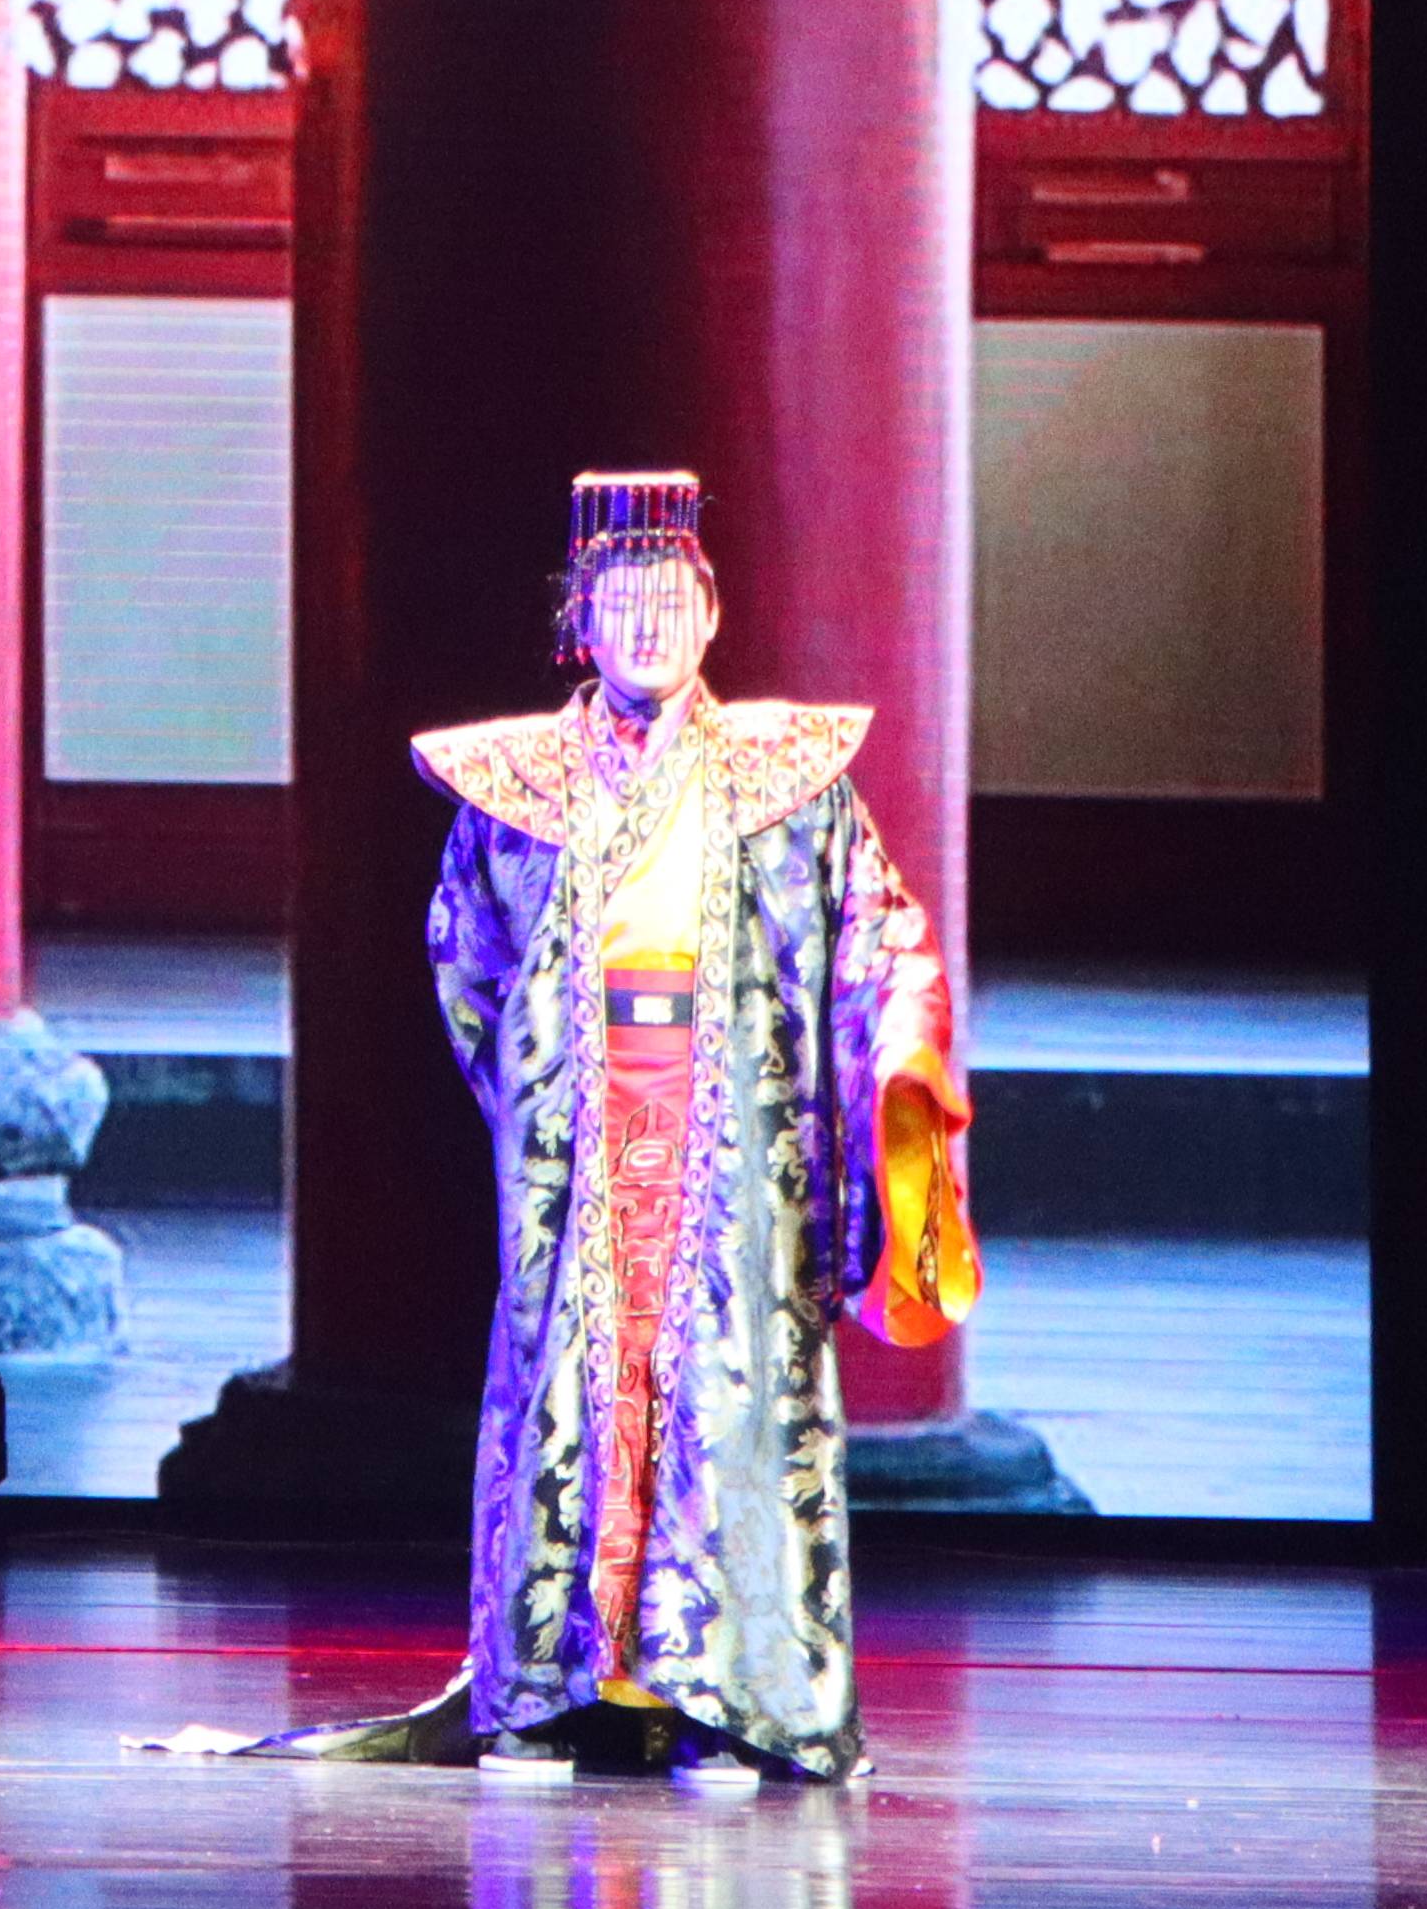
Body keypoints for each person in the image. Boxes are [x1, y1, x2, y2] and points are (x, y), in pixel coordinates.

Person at [264, 468, 980, 1786]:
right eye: (622, 603)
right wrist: (540, 1096)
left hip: (735, 1137)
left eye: (672, 601)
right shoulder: (519, 789)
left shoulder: (790, 780)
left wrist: (902, 1059)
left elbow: (883, 942)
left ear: (712, 615)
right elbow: (469, 965)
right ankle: (552, 1696)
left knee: (728, 1401)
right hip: (582, 1140)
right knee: (568, 1401)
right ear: (579, 626)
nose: (650, 625)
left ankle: (728, 1701)